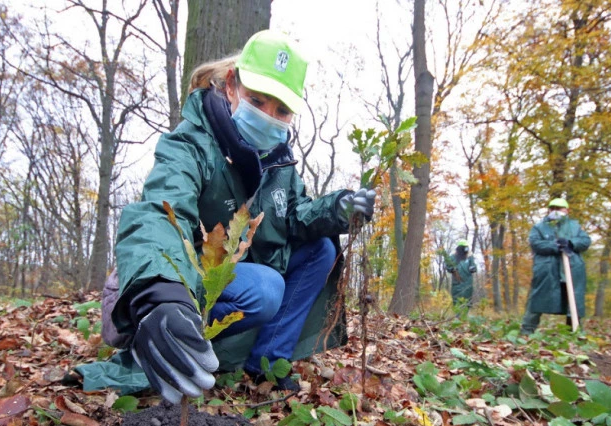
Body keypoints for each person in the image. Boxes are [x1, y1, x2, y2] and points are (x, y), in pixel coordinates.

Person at [101, 30, 376, 403]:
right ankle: (170, 338)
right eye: (257, 100)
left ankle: (267, 362)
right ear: (231, 85)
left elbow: (295, 216)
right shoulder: (192, 144)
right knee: (265, 287)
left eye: (281, 111)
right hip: (172, 282)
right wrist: (157, 294)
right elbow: (162, 211)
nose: (267, 117)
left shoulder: (279, 161)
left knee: (321, 251)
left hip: (236, 273)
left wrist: (338, 208)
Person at [520, 198, 591, 335]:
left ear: (567, 210)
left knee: (573, 301)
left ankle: (574, 331)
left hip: (572, 270)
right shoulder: (539, 227)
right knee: (537, 299)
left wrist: (570, 243)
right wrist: (555, 245)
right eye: (552, 208)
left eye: (559, 208)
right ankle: (527, 331)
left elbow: (585, 241)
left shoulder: (575, 226)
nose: (555, 211)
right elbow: (535, 243)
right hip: (547, 270)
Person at [443, 239, 477, 315]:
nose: (465, 249)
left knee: (467, 300)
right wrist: (452, 269)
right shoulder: (453, 257)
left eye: (466, 247)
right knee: (456, 300)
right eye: (464, 247)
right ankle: (457, 317)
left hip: (468, 283)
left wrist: (473, 267)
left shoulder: (469, 257)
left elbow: (473, 267)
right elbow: (448, 266)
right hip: (457, 283)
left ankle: (465, 316)